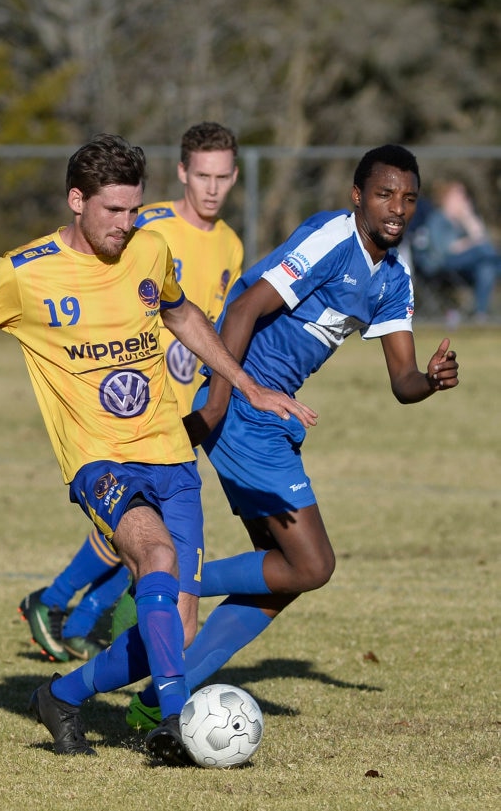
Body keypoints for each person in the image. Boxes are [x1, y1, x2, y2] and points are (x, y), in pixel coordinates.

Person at [0, 133, 313, 765]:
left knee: (175, 631)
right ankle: (177, 719)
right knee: (153, 554)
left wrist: (248, 385)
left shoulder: (149, 250)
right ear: (77, 200)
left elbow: (180, 315)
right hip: (99, 459)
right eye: (113, 212)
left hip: (171, 451)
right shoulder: (25, 272)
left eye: (133, 210)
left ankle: (63, 694)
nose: (126, 225)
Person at [125, 143, 461, 731]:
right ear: (358, 196)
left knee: (279, 579)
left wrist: (430, 382)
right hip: (248, 409)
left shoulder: (395, 278)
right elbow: (244, 309)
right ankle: (172, 582)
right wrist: (223, 404)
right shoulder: (333, 238)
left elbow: (401, 382)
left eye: (408, 198)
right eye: (384, 194)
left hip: (272, 419)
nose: (397, 207)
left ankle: (161, 694)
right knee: (313, 565)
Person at [18, 122, 244, 663]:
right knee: (141, 528)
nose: (212, 189)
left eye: (223, 177)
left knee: (152, 536)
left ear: (235, 178)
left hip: (179, 402)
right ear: (184, 173)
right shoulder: (146, 228)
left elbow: (195, 317)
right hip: (125, 404)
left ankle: (74, 617)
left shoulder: (231, 243)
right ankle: (58, 605)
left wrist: (219, 395)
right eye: (202, 175)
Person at [412, 179, 500, 322]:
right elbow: (447, 249)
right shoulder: (438, 219)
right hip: (441, 265)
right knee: (483, 250)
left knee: (487, 267)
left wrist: (469, 219)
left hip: (463, 267)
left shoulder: (461, 221)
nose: (464, 199)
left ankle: (480, 315)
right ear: (447, 198)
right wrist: (473, 243)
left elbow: (481, 238)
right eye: (459, 196)